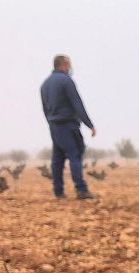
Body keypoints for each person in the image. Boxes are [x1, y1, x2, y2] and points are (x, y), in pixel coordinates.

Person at [40, 54, 96, 199]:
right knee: (75, 154)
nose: (70, 68)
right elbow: (77, 104)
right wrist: (89, 124)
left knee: (57, 159)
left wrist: (51, 123)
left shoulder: (45, 85)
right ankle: (81, 189)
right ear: (64, 65)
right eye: (69, 65)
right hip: (68, 125)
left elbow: (45, 109)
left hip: (54, 126)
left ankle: (58, 191)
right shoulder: (66, 81)